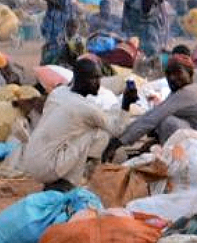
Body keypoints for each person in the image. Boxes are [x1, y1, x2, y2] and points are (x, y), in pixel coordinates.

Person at [19, 57, 132, 189]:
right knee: (98, 133)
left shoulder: (57, 93)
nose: (98, 84)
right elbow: (117, 129)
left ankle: (61, 179)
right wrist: (126, 104)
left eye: (99, 79)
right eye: (94, 79)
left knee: (78, 131)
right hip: (48, 168)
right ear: (81, 79)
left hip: (30, 160)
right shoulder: (86, 108)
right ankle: (68, 183)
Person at [102, 55, 197, 161]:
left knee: (167, 121)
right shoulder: (181, 93)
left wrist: (118, 142)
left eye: (178, 73)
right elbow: (153, 115)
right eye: (168, 74)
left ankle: (171, 161)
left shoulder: (189, 93)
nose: (172, 78)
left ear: (190, 74)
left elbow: (153, 118)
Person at [39, 0, 77, 65]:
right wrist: (59, 4)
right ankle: (50, 63)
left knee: (58, 42)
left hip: (59, 19)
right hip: (56, 20)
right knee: (55, 42)